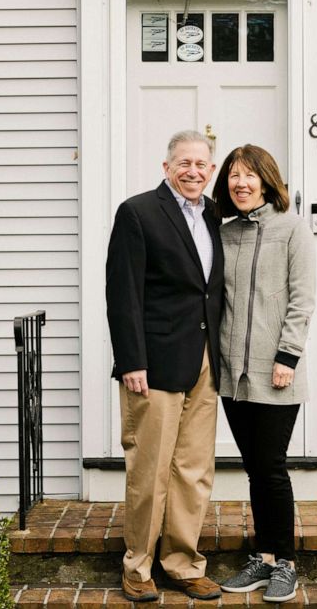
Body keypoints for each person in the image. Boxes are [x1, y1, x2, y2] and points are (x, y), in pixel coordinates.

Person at [105, 130, 224, 602]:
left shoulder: (216, 214)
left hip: (204, 361)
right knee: (150, 470)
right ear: (166, 166)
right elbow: (123, 293)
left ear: (211, 171)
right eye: (184, 163)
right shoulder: (137, 213)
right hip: (152, 365)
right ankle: (138, 566)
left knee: (193, 471)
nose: (193, 171)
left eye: (202, 164)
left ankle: (183, 563)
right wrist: (131, 360)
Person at [211, 144, 316, 603]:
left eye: (250, 174)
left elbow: (302, 298)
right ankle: (264, 558)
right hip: (233, 375)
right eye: (234, 175)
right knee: (254, 469)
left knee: (272, 468)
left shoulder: (292, 229)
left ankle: (286, 564)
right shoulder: (222, 232)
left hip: (276, 371)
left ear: (267, 180)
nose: (241, 183)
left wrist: (287, 357)